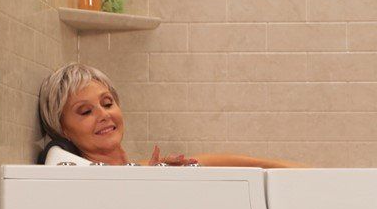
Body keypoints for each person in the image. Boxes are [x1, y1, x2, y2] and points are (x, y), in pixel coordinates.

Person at [36, 63, 306, 168]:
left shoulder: (143, 170)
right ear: (63, 129)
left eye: (107, 103)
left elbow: (218, 162)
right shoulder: (73, 176)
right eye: (85, 111)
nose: (103, 115)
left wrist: (286, 169)